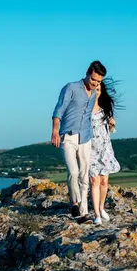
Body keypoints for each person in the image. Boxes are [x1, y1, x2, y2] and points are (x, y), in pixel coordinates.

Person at [52, 61, 106, 219]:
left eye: (99, 82)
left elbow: (94, 114)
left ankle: (83, 212)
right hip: (68, 136)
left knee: (84, 175)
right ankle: (74, 203)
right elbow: (59, 109)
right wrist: (55, 130)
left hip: (86, 137)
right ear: (88, 73)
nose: (95, 83)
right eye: (94, 80)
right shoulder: (71, 88)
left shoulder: (95, 93)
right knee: (73, 172)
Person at [89, 79, 121, 225]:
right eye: (95, 88)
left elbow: (111, 130)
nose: (97, 91)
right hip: (90, 149)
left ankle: (101, 208)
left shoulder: (105, 107)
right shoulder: (85, 108)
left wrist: (113, 125)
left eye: (99, 89)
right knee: (94, 181)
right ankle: (96, 214)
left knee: (104, 181)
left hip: (105, 148)